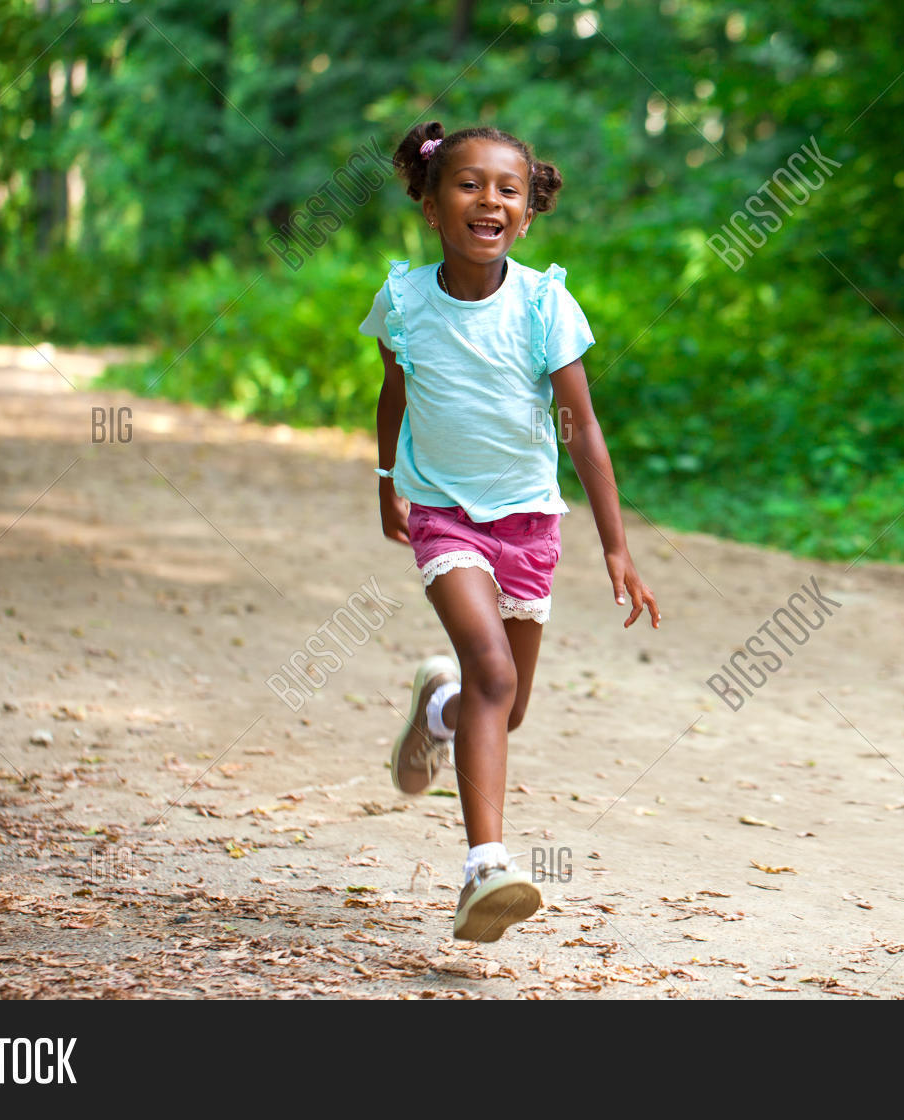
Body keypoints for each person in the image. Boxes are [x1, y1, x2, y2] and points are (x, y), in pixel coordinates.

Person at [361, 122, 662, 943]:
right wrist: (389, 480)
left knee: (506, 706)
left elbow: (583, 429)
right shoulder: (403, 301)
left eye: (507, 190)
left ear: (527, 214)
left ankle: (438, 713)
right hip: (444, 515)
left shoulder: (543, 305)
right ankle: (483, 867)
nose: (488, 200)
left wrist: (615, 545)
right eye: (467, 184)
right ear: (430, 205)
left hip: (529, 524)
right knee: (492, 671)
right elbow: (395, 394)